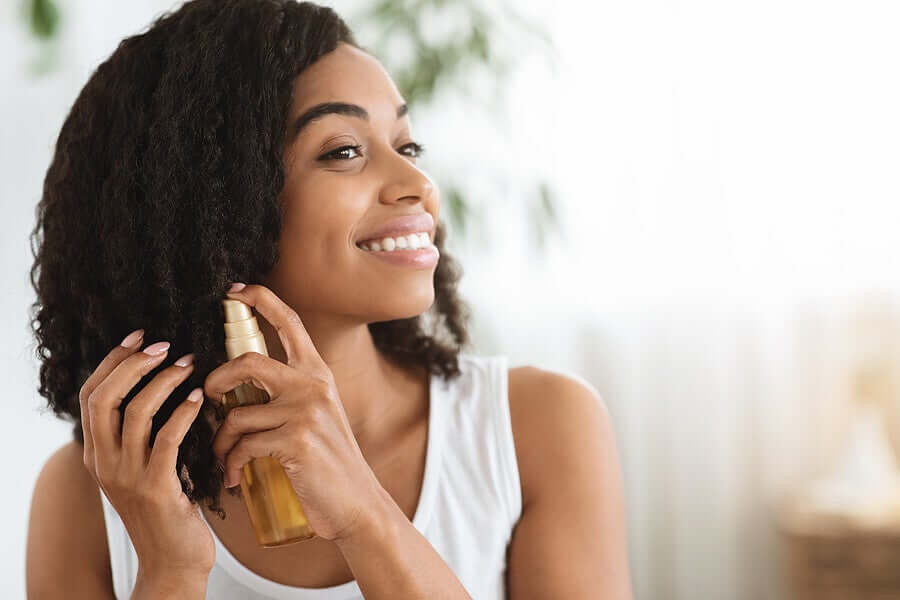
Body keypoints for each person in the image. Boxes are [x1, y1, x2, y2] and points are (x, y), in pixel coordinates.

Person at [25, 1, 633, 598]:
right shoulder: (88, 497)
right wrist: (172, 573)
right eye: (344, 151)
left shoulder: (536, 426)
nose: (417, 185)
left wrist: (364, 515)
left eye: (407, 146)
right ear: (212, 209)